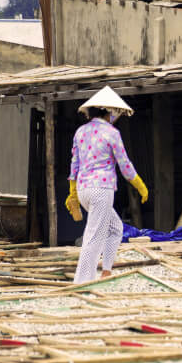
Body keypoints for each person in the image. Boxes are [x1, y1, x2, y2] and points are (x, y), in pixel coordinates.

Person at [64, 86, 148, 284]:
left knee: (115, 228)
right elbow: (125, 165)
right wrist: (139, 184)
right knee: (94, 237)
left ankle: (107, 270)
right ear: (111, 112)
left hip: (84, 189)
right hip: (102, 190)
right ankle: (82, 281)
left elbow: (74, 165)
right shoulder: (112, 133)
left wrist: (72, 193)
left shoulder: (80, 132)